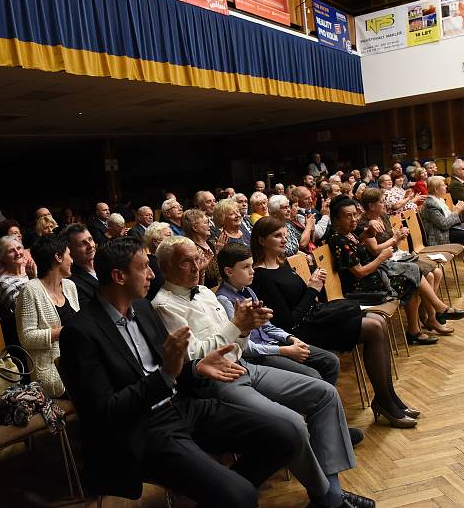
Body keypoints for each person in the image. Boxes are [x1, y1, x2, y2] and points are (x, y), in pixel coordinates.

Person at [58, 237, 301, 506]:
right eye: (143, 267)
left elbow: (172, 369)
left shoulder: (141, 307)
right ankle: (230, 494)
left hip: (181, 406)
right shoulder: (80, 332)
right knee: (241, 495)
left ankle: (222, 495)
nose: (152, 274)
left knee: (286, 436)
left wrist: (196, 367)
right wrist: (166, 375)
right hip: (142, 429)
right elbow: (106, 413)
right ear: (118, 276)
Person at [151, 236, 373, 508]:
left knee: (325, 394)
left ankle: (331, 492)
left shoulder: (206, 292)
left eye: (197, 258)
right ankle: (330, 500)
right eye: (186, 261)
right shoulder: (164, 305)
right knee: (292, 424)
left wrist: (244, 329)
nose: (196, 266)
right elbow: (195, 356)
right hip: (219, 382)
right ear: (165, 268)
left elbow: (238, 345)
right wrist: (236, 326)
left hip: (246, 366)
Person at [250, 217, 419, 428]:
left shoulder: (282, 264)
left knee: (378, 321)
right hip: (301, 332)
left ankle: (388, 397)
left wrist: (312, 286)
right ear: (261, 240)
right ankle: (385, 401)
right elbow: (288, 322)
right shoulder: (261, 276)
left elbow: (303, 298)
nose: (284, 240)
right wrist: (313, 288)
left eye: (285, 234)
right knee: (374, 326)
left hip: (314, 319)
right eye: (277, 236)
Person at [328, 198, 464, 346]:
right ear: (336, 219)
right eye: (348, 216)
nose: (354, 219)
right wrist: (381, 258)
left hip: (371, 275)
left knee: (413, 273)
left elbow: (359, 240)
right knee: (411, 278)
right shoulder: (337, 240)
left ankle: (427, 320)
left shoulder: (348, 233)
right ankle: (431, 317)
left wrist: (367, 233)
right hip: (359, 286)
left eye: (355, 215)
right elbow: (359, 272)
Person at [215, 243, 339, 385]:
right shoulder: (223, 300)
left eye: (251, 265)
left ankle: (321, 403)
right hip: (258, 355)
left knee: (330, 361)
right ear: (229, 272)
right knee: (313, 376)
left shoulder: (248, 290)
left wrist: (290, 338)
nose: (252, 271)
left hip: (274, 344)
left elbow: (267, 326)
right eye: (245, 267)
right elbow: (245, 347)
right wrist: (284, 350)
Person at [359, 189, 449, 335]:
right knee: (430, 276)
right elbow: (376, 250)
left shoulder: (382, 216)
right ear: (371, 205)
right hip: (384, 261)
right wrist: (394, 239)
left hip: (396, 255)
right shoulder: (364, 223)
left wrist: (398, 236)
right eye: (381, 201)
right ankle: (431, 317)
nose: (385, 204)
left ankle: (427, 314)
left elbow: (392, 242)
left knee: (437, 272)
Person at [16, 234, 78, 398]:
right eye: (69, 255)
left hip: (78, 360)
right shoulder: (30, 290)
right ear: (58, 257)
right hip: (51, 371)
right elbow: (26, 338)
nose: (72, 260)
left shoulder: (70, 286)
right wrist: (66, 330)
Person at [0, 235, 37, 314]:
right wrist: (33, 280)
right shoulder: (3, 281)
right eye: (11, 251)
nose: (17, 253)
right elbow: (22, 308)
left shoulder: (31, 270)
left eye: (19, 248)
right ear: (2, 257)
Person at [182, 209, 220, 287]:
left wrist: (219, 251)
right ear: (195, 228)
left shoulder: (211, 244)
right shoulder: (191, 250)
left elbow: (217, 273)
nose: (209, 225)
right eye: (206, 223)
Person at [66, 224, 98, 308]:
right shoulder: (71, 282)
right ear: (70, 250)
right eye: (82, 244)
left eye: (90, 239)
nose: (90, 246)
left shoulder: (107, 264)